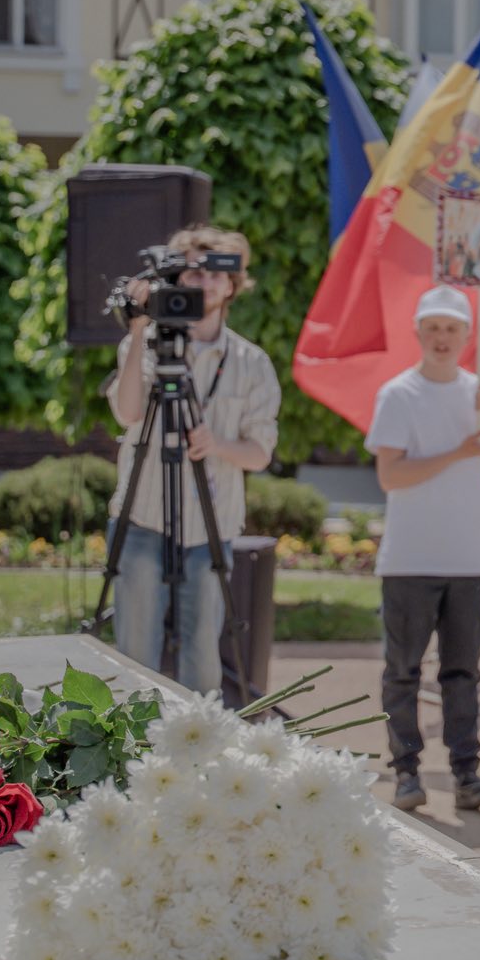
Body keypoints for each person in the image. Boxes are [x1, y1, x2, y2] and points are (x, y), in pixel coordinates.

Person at [105, 224, 281, 695]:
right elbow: (128, 413)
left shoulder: (251, 362)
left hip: (210, 529)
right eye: (193, 273)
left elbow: (260, 452)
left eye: (214, 274)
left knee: (202, 659)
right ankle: (134, 738)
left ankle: (197, 738)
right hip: (142, 521)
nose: (204, 283)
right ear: (176, 279)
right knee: (134, 658)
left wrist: (216, 444)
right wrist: (138, 328)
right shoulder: (145, 344)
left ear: (232, 285)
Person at [368, 285, 480, 816]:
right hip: (410, 558)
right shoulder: (398, 394)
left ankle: (467, 774)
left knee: (463, 673)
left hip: (470, 557)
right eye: (433, 328)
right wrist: (459, 451)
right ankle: (407, 773)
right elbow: (391, 475)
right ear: (418, 333)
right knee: (403, 671)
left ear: (467, 335)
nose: (442, 337)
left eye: (452, 328)